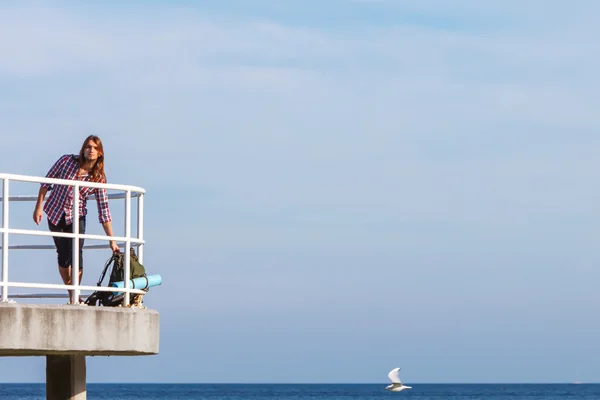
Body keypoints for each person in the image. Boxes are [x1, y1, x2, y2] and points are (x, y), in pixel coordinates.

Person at [32, 135, 120, 304]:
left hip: (77, 215)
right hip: (56, 212)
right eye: (88, 147)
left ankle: (74, 296)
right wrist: (38, 207)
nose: (91, 150)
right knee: (64, 257)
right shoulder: (66, 161)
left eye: (95, 148)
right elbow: (45, 183)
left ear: (100, 153)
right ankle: (71, 293)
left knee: (77, 255)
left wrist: (112, 241)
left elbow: (104, 210)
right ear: (83, 149)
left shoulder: (98, 177)